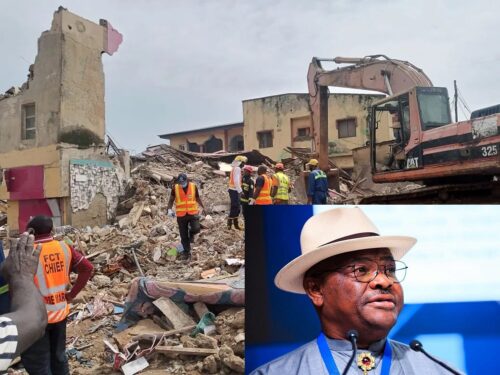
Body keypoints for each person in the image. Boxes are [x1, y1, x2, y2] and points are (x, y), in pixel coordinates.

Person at [252, 207, 463, 374]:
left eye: (390, 270)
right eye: (361, 270)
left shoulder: (440, 371)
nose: (384, 280)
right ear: (315, 289)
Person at [21, 216, 94, 375]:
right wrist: (71, 295)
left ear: (31, 231)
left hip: (36, 318)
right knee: (59, 358)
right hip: (60, 313)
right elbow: (87, 268)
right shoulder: (64, 248)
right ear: (51, 230)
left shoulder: (27, 253)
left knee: (39, 363)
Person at [0, 233, 47, 372]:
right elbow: (36, 320)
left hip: (23, 313)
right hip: (32, 315)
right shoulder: (63, 248)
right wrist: (22, 276)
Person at [167, 173, 205, 260]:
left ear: (187, 180)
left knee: (196, 229)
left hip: (192, 213)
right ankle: (186, 252)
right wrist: (169, 209)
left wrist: (203, 207)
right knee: (183, 235)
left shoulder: (193, 186)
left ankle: (191, 235)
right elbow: (171, 200)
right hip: (181, 215)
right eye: (180, 183)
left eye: (183, 182)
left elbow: (197, 198)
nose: (181, 184)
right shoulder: (175, 188)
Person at [228, 155, 247, 230]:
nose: (243, 165)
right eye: (243, 163)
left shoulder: (234, 168)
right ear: (240, 162)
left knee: (237, 207)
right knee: (235, 207)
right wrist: (240, 191)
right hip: (234, 190)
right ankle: (230, 224)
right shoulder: (237, 168)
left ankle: (235, 224)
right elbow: (236, 181)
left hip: (233, 190)